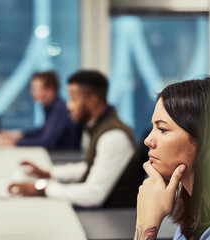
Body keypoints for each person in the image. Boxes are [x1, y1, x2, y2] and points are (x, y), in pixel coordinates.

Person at [8, 70, 144, 208]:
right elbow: (90, 167)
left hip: (111, 216)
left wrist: (41, 188)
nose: (68, 106)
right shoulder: (96, 127)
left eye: (73, 99)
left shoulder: (113, 136)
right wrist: (48, 173)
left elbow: (93, 195)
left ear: (92, 100)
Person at [134, 77, 210, 240]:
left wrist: (146, 224)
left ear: (206, 140)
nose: (148, 140)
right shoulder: (195, 212)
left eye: (162, 129)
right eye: (153, 127)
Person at [0, 71, 82, 150]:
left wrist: (14, 143)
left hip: (64, 157)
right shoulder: (52, 107)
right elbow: (43, 130)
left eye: (35, 89)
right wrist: (18, 135)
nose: (32, 93)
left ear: (50, 90)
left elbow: (47, 142)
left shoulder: (59, 110)